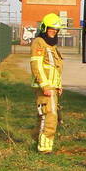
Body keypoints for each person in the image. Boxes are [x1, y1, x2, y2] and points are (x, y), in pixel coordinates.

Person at [30, 13, 65, 153]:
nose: (54, 32)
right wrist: (45, 86)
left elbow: (54, 67)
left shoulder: (52, 46)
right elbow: (36, 66)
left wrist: (59, 86)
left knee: (44, 115)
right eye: (51, 29)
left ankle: (37, 141)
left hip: (53, 87)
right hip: (45, 87)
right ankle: (44, 148)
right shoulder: (39, 42)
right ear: (44, 28)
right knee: (50, 115)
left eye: (56, 30)